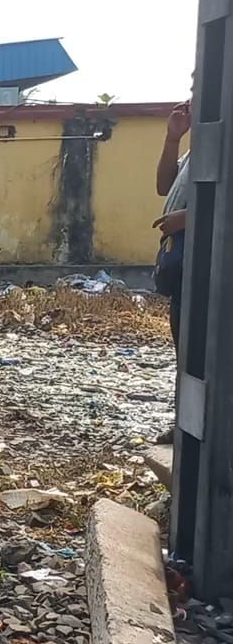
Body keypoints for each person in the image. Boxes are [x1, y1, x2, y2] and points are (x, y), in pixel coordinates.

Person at [153, 100, 190, 444]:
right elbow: (164, 185)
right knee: (185, 351)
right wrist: (172, 139)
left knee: (200, 356)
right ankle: (185, 424)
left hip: (208, 271)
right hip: (184, 269)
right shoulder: (197, 153)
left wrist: (187, 218)